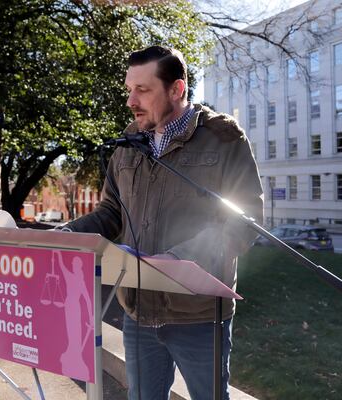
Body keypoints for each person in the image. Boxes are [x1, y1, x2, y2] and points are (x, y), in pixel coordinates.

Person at [61, 45, 263, 400]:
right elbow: (111, 213)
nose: (131, 101)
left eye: (143, 90)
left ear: (176, 90)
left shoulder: (224, 141)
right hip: (138, 312)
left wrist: (175, 260)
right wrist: (64, 236)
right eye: (129, 89)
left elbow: (244, 221)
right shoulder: (127, 146)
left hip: (199, 315)